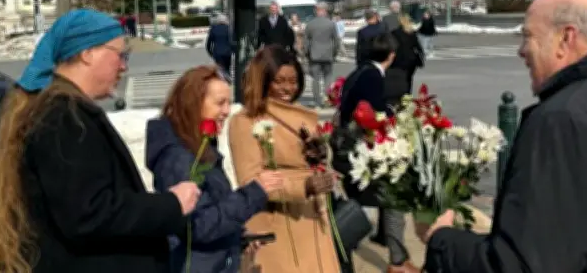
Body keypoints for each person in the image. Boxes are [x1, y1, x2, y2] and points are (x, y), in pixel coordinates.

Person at [419, 0, 587, 273]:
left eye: (528, 36)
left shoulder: (565, 119)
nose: (521, 51)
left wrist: (442, 242)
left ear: (566, 38)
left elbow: (522, 264)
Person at [0, 9, 201, 273]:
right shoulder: (63, 118)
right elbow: (88, 215)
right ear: (87, 53)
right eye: (120, 55)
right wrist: (171, 204)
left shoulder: (64, 111)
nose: (124, 66)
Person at [145, 65, 284, 273]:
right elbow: (199, 225)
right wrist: (254, 192)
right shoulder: (179, 157)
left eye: (228, 103)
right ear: (193, 104)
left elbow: (214, 206)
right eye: (220, 103)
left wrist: (236, 235)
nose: (227, 111)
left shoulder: (199, 146)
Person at [228, 45, 341, 273]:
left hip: (313, 219)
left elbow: (311, 161)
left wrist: (321, 154)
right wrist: (302, 187)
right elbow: (250, 181)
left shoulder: (301, 115)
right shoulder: (245, 121)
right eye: (279, 81)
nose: (288, 88)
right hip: (278, 225)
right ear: (263, 80)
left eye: (293, 81)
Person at [332, 33, 415, 273]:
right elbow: (373, 116)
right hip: (358, 149)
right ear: (392, 55)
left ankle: (376, 239)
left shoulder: (360, 71)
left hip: (345, 147)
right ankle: (397, 261)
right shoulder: (373, 77)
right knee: (394, 196)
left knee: (360, 200)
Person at [304, 1, 340, 108]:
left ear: (317, 11)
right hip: (328, 55)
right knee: (328, 77)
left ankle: (316, 101)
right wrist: (334, 53)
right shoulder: (331, 24)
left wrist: (307, 53)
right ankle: (326, 98)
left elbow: (306, 42)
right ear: (324, 11)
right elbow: (336, 41)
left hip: (314, 55)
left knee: (315, 79)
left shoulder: (310, 24)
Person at [383, 14, 424, 107]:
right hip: (411, 60)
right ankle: (407, 97)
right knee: (409, 79)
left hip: (399, 60)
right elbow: (417, 46)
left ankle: (400, 98)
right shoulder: (411, 32)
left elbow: (391, 46)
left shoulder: (395, 33)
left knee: (400, 79)